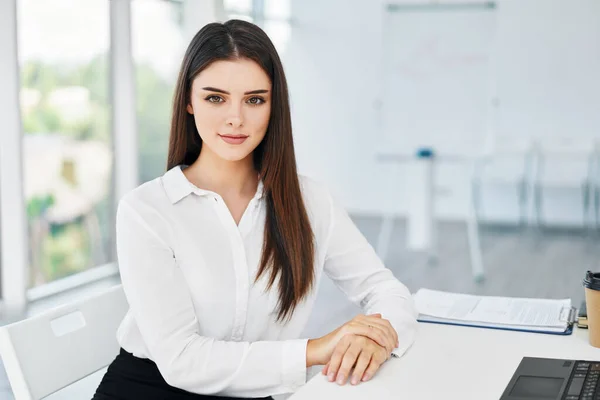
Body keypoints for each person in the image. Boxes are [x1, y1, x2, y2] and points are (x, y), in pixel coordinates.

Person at [93, 19, 417, 400]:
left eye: (254, 99)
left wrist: (378, 339)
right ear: (189, 101)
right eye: (215, 98)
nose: (236, 118)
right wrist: (317, 349)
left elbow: (384, 289)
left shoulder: (311, 202)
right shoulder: (146, 211)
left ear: (273, 104)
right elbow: (182, 360)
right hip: (150, 389)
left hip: (252, 392)